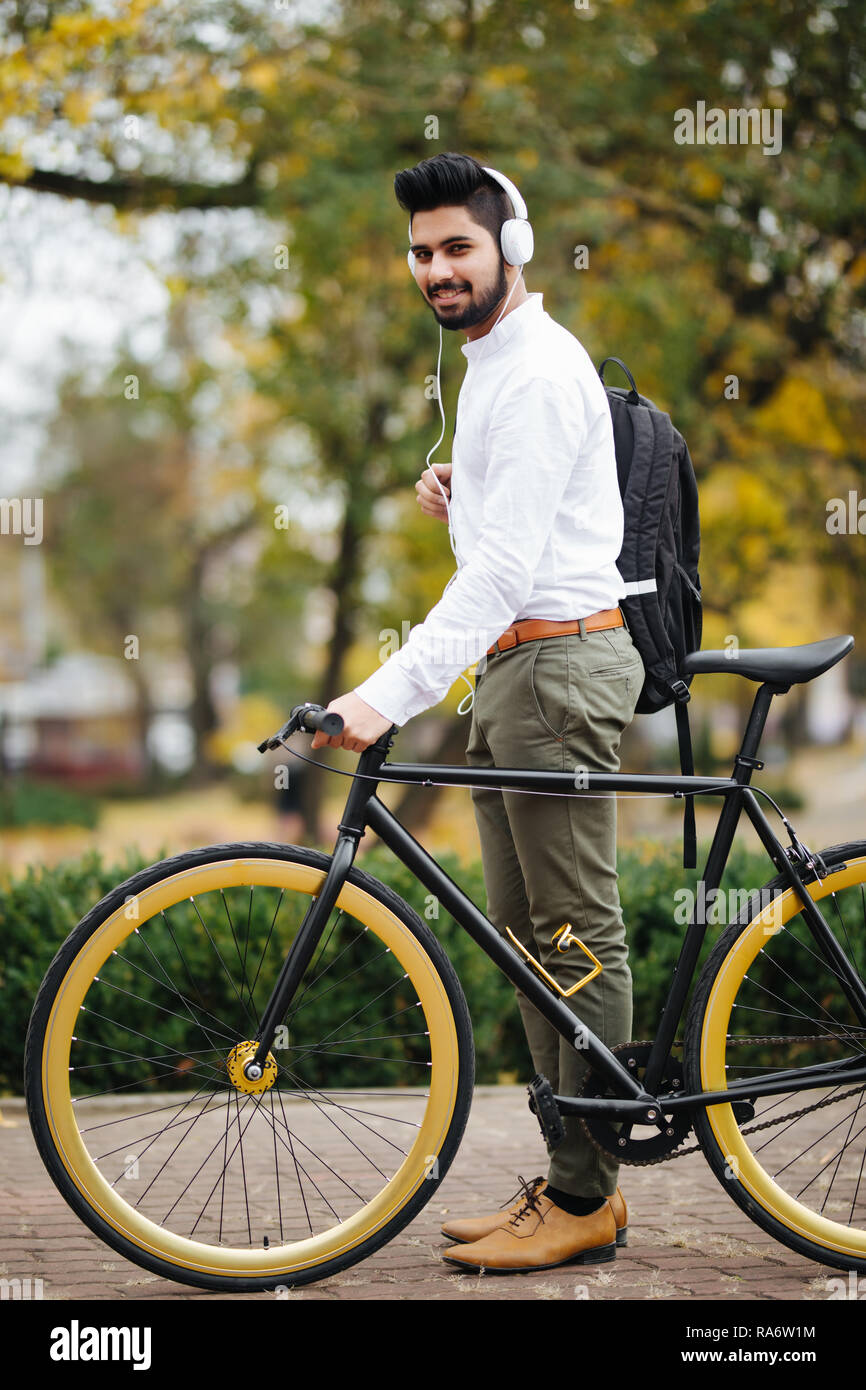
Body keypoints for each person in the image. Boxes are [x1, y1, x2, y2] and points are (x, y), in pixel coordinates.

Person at [311, 152, 644, 1272]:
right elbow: (511, 543)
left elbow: (508, 579)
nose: (435, 269)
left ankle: (588, 1192)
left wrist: (379, 692)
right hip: (513, 675)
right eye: (420, 252)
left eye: (456, 246)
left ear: (512, 245)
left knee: (572, 937)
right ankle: (568, 1181)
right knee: (527, 943)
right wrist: (464, 495)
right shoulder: (490, 367)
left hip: (554, 670)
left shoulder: (540, 370)